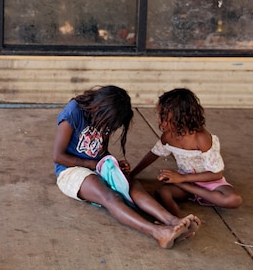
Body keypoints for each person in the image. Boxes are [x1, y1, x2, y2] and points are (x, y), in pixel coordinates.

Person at [53, 86, 200, 249]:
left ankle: (173, 221)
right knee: (110, 196)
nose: (108, 128)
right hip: (70, 171)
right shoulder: (73, 112)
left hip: (97, 167)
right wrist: (93, 164)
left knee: (132, 184)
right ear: (98, 108)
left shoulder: (107, 117)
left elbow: (99, 151)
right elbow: (58, 156)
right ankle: (158, 233)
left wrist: (113, 163)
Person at [131, 88, 243, 217]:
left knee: (233, 199)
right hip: (184, 182)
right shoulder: (168, 136)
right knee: (163, 193)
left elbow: (216, 174)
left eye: (163, 116)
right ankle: (179, 220)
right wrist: (133, 173)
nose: (159, 121)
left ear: (180, 117)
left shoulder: (202, 138)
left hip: (209, 184)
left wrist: (181, 179)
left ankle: (187, 188)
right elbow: (154, 154)